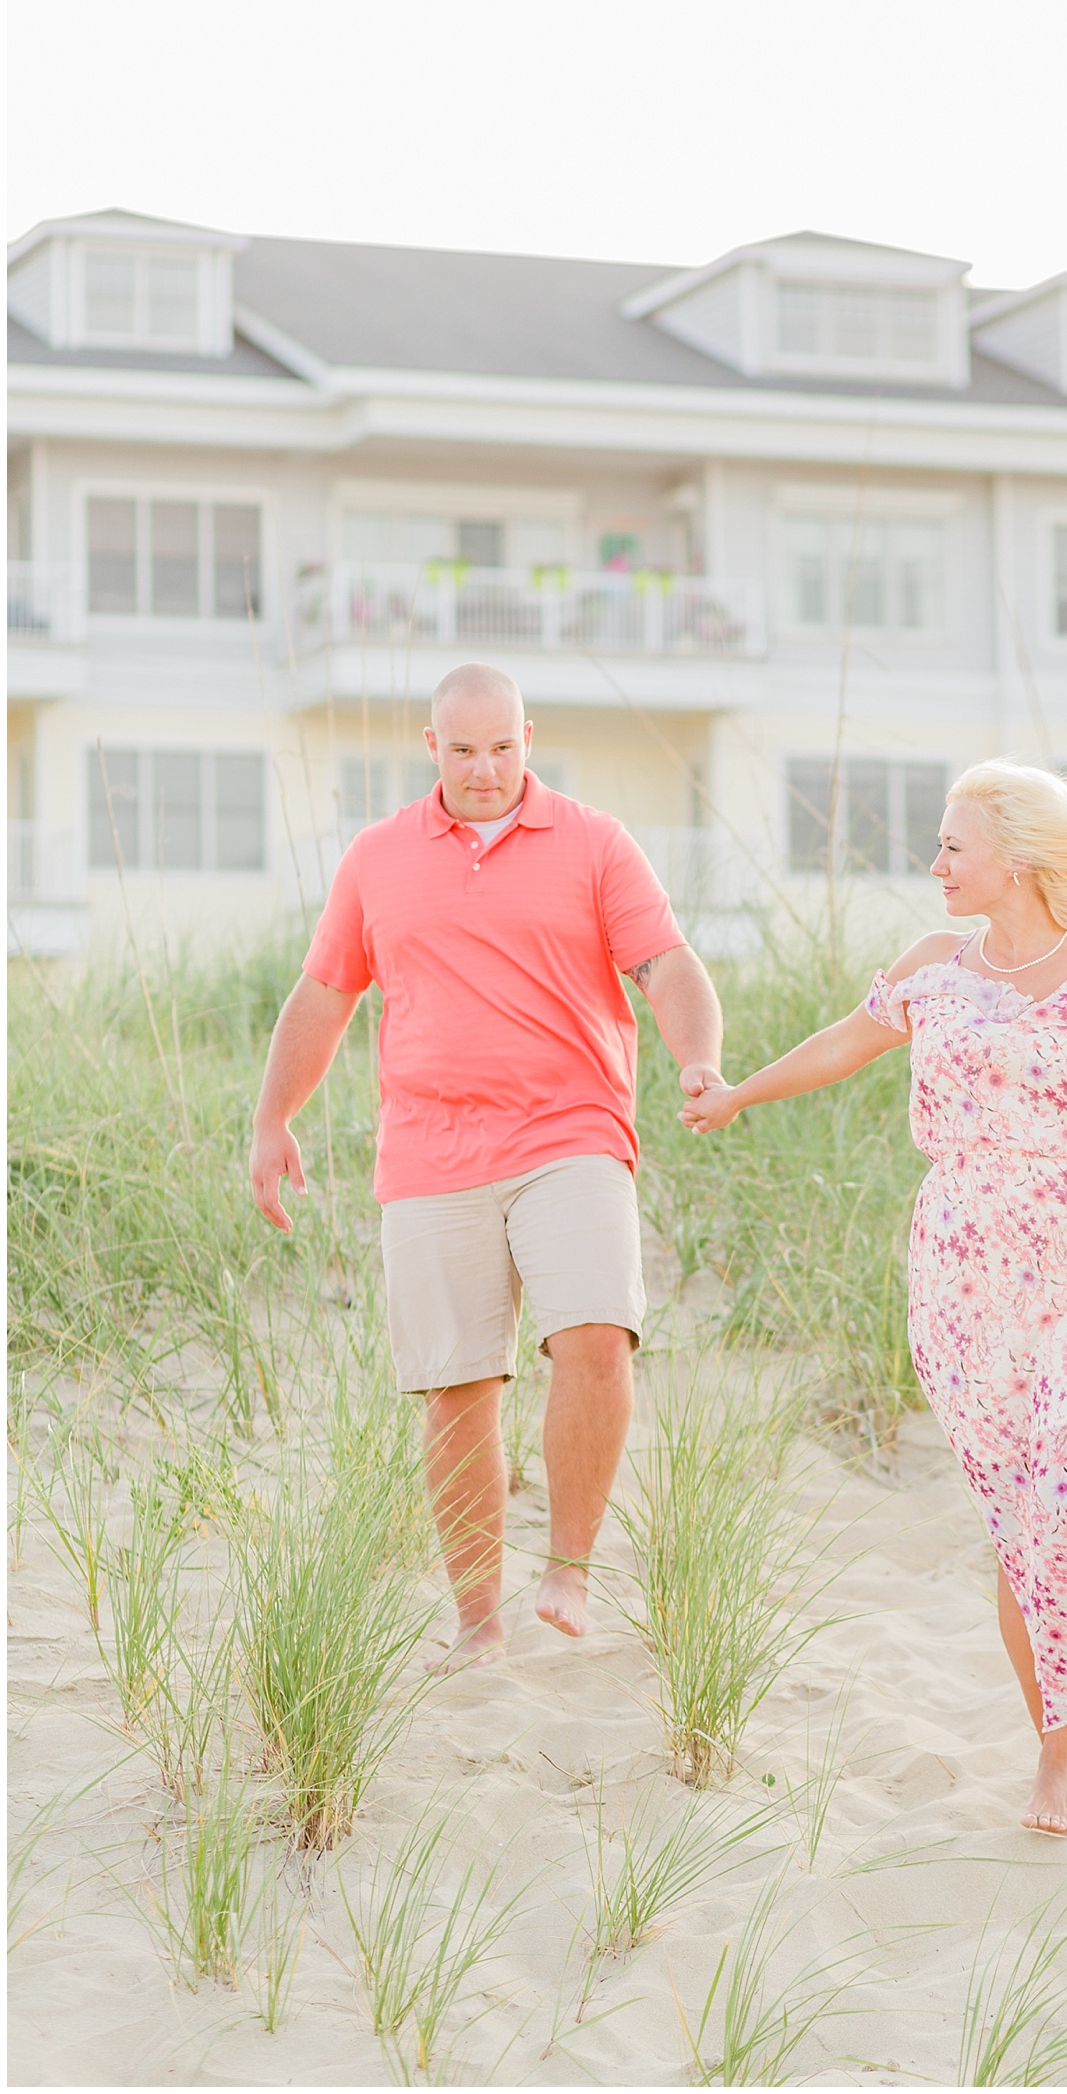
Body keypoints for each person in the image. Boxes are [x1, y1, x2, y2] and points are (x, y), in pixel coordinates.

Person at [682, 759, 1067, 1836]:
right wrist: (736, 1093)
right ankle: (1059, 1753)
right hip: (967, 1278)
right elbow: (843, 1041)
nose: (936, 862)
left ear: (1018, 856)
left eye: (954, 844)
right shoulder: (932, 968)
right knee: (1022, 1524)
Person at [249, 662, 725, 1666]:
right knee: (459, 1389)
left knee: (596, 1337)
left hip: (570, 1131)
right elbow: (324, 993)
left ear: (527, 738)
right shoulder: (379, 856)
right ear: (432, 748)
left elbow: (667, 964)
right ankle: (477, 1619)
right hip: (428, 1151)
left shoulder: (596, 842)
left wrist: (698, 1057)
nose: (485, 767)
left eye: (503, 746)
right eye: (463, 749)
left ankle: (568, 1565)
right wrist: (271, 1118)